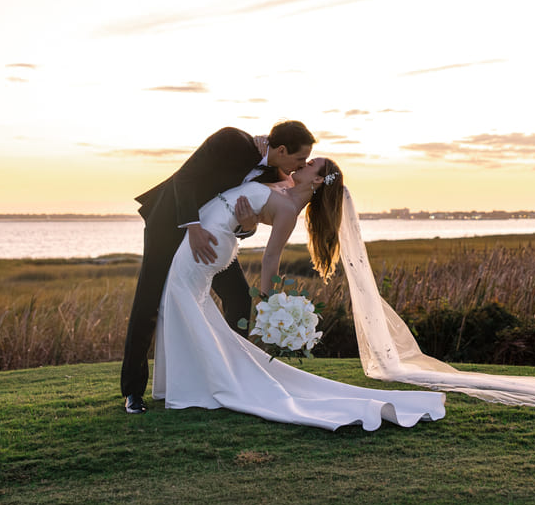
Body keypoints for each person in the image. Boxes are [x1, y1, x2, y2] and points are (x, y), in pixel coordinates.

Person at [152, 157, 447, 430]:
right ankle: (187, 384)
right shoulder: (282, 186)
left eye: (311, 165)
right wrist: (248, 221)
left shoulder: (289, 211)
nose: (303, 164)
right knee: (186, 307)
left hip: (211, 242)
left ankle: (196, 386)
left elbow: (271, 258)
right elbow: (248, 218)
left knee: (178, 302)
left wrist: (264, 305)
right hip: (217, 236)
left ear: (317, 181)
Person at [120, 121, 315, 414]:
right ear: (282, 150)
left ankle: (234, 372)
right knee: (149, 300)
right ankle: (133, 392)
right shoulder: (231, 140)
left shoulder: (272, 174)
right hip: (170, 221)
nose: (301, 166)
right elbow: (184, 179)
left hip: (212, 235)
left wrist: (246, 228)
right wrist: (193, 227)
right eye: (299, 159)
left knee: (238, 296)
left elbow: (246, 218)